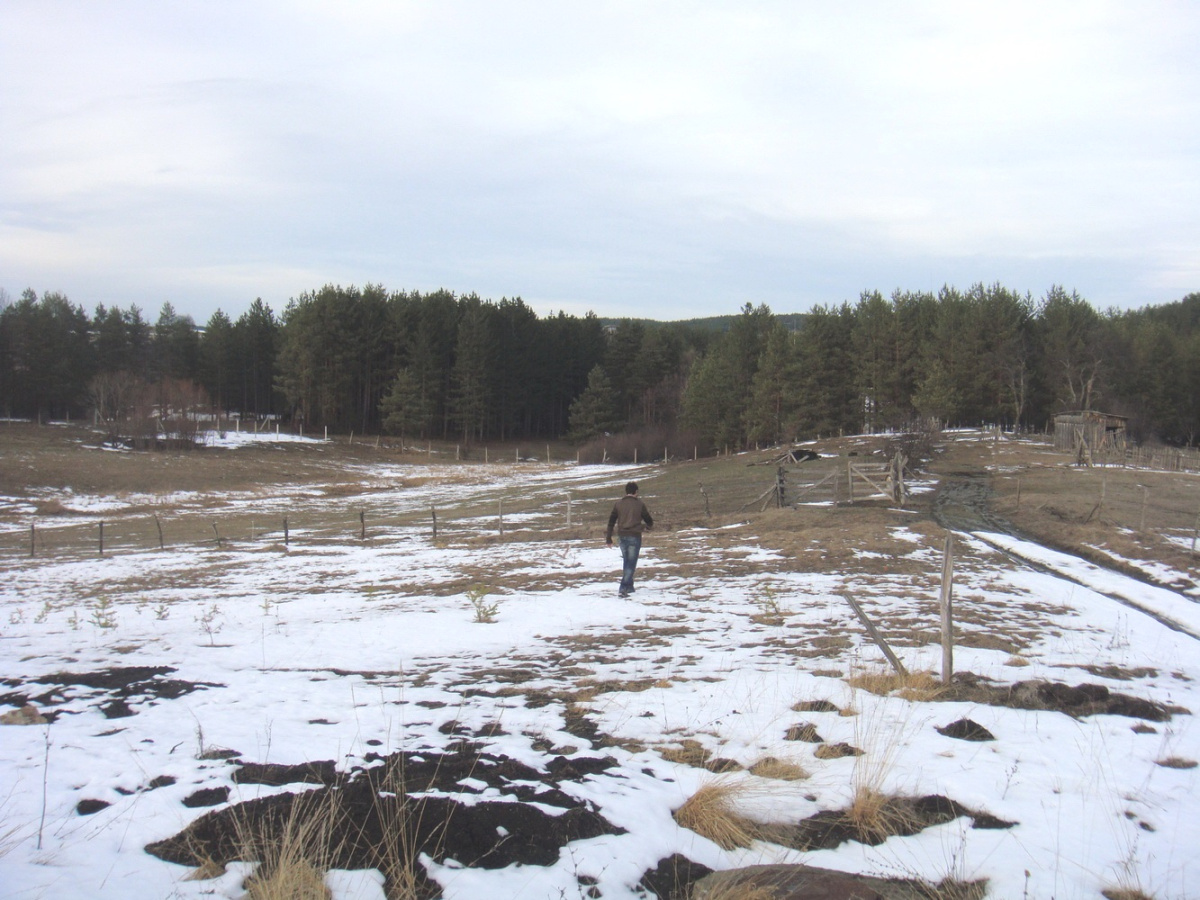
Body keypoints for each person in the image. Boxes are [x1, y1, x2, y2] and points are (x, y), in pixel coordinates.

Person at [605, 481, 654, 597]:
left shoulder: (618, 504)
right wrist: (647, 527)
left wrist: (608, 538)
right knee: (631, 563)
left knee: (627, 561)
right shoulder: (639, 504)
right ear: (636, 492)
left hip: (621, 536)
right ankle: (623, 587)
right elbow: (649, 520)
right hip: (634, 536)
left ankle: (629, 587)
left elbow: (611, 522)